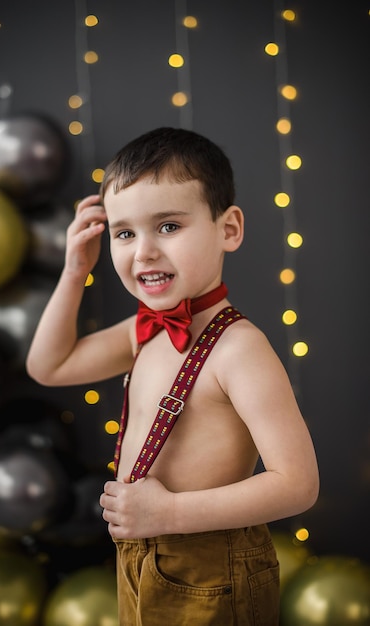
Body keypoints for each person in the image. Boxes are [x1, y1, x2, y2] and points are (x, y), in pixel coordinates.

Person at [26, 127, 319, 625]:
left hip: (212, 567)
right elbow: (49, 366)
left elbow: (297, 484)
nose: (143, 252)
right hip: (140, 557)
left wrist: (170, 515)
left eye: (167, 226)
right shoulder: (143, 332)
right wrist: (75, 271)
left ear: (228, 229)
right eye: (124, 233)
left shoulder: (239, 349)